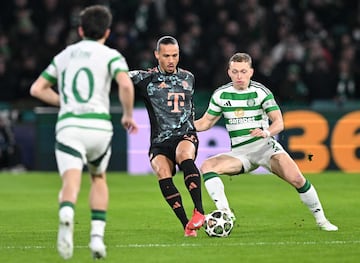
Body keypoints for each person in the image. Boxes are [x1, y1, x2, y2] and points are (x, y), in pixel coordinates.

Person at [30, 5, 138, 260]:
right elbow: (124, 84)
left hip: (70, 126)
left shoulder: (65, 55)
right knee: (98, 178)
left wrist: (64, 102)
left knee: (71, 181)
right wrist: (128, 114)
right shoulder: (111, 55)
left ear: (80, 30)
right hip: (99, 127)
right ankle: (97, 237)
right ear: (108, 32)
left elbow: (37, 89)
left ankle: (67, 212)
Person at [194, 52, 338, 231]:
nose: (239, 76)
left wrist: (267, 132)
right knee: (207, 166)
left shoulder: (261, 92)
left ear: (251, 72)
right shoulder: (221, 95)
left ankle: (322, 220)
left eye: (244, 71)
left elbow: (279, 122)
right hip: (240, 153)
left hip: (265, 148)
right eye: (235, 71)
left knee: (297, 179)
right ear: (229, 72)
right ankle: (226, 213)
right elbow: (206, 122)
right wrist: (185, 125)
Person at [129, 36, 205, 237]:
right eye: (166, 56)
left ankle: (199, 211)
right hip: (160, 142)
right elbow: (118, 76)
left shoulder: (188, 77)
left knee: (184, 156)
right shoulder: (145, 79)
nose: (171, 60)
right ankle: (187, 225)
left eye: (175, 55)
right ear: (156, 55)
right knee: (163, 172)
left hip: (185, 135)